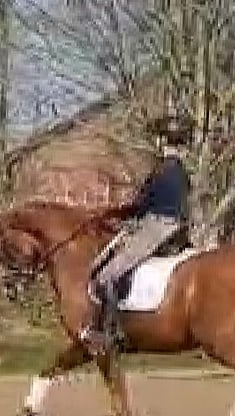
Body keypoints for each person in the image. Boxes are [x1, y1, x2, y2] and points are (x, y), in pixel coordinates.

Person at [78, 114, 194, 355]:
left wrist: (119, 214)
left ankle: (109, 332)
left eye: (159, 139)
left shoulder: (164, 169)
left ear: (164, 140)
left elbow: (144, 204)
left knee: (108, 274)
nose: (156, 143)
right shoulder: (179, 170)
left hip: (157, 226)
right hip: (170, 224)